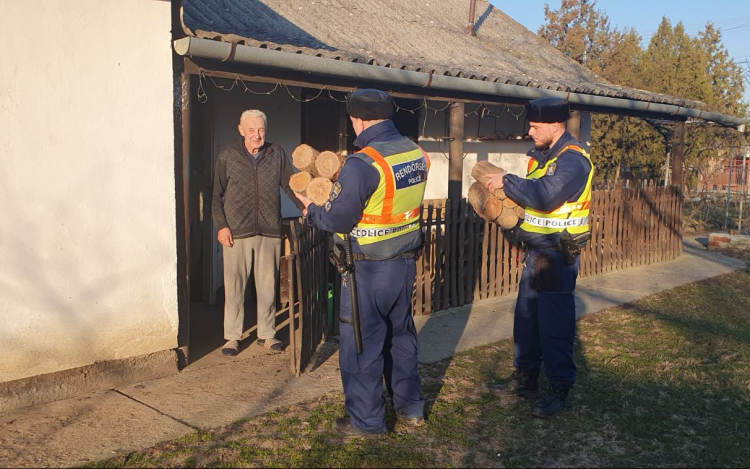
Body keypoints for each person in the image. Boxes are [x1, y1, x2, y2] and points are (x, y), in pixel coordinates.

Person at [295, 89, 430, 438]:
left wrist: (312, 212)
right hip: (403, 263)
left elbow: (338, 219)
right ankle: (410, 408)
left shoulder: (363, 163)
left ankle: (367, 422)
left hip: (367, 270)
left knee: (362, 344)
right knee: (401, 338)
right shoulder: (415, 153)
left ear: (358, 120)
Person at [485, 97, 594, 418]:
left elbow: (546, 197)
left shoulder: (573, 161)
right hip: (537, 252)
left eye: (535, 126)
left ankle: (559, 386)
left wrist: (506, 180)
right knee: (527, 319)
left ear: (554, 125)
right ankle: (526, 377)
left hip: (558, 256)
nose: (529, 131)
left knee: (554, 325)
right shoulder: (545, 158)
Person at [212, 109, 305, 357]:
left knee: (267, 286)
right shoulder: (227, 155)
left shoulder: (276, 154)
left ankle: (267, 334)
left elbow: (290, 185)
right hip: (235, 232)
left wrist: (305, 207)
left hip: (269, 229)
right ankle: (232, 337)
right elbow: (215, 196)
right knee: (235, 288)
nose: (257, 135)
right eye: (251, 129)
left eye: (261, 129)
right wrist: (221, 226)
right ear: (241, 130)